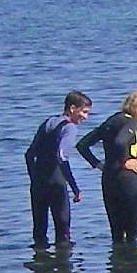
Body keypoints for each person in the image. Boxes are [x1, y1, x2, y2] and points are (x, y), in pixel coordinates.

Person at [77, 91, 137, 244]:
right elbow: (120, 142)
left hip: (109, 179)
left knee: (117, 234)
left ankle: (117, 266)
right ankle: (132, 266)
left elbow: (82, 145)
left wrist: (99, 165)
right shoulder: (130, 122)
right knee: (133, 235)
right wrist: (124, 162)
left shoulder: (111, 121)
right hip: (127, 181)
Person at [21, 91, 96, 247]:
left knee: (39, 231)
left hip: (38, 183)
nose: (85, 117)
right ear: (72, 108)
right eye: (84, 112)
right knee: (63, 232)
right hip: (56, 183)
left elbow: (29, 154)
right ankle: (62, 267)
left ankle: (41, 266)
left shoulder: (48, 122)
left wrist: (34, 178)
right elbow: (62, 157)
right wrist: (75, 188)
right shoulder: (69, 128)